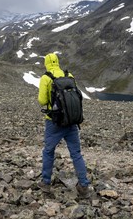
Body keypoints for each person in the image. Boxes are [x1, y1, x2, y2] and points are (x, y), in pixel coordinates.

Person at [37, 53, 91, 197]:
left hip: (54, 121)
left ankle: (46, 183)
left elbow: (42, 101)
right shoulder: (69, 74)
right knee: (76, 153)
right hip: (71, 121)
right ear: (57, 62)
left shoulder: (46, 78)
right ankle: (84, 186)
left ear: (46, 63)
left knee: (49, 151)